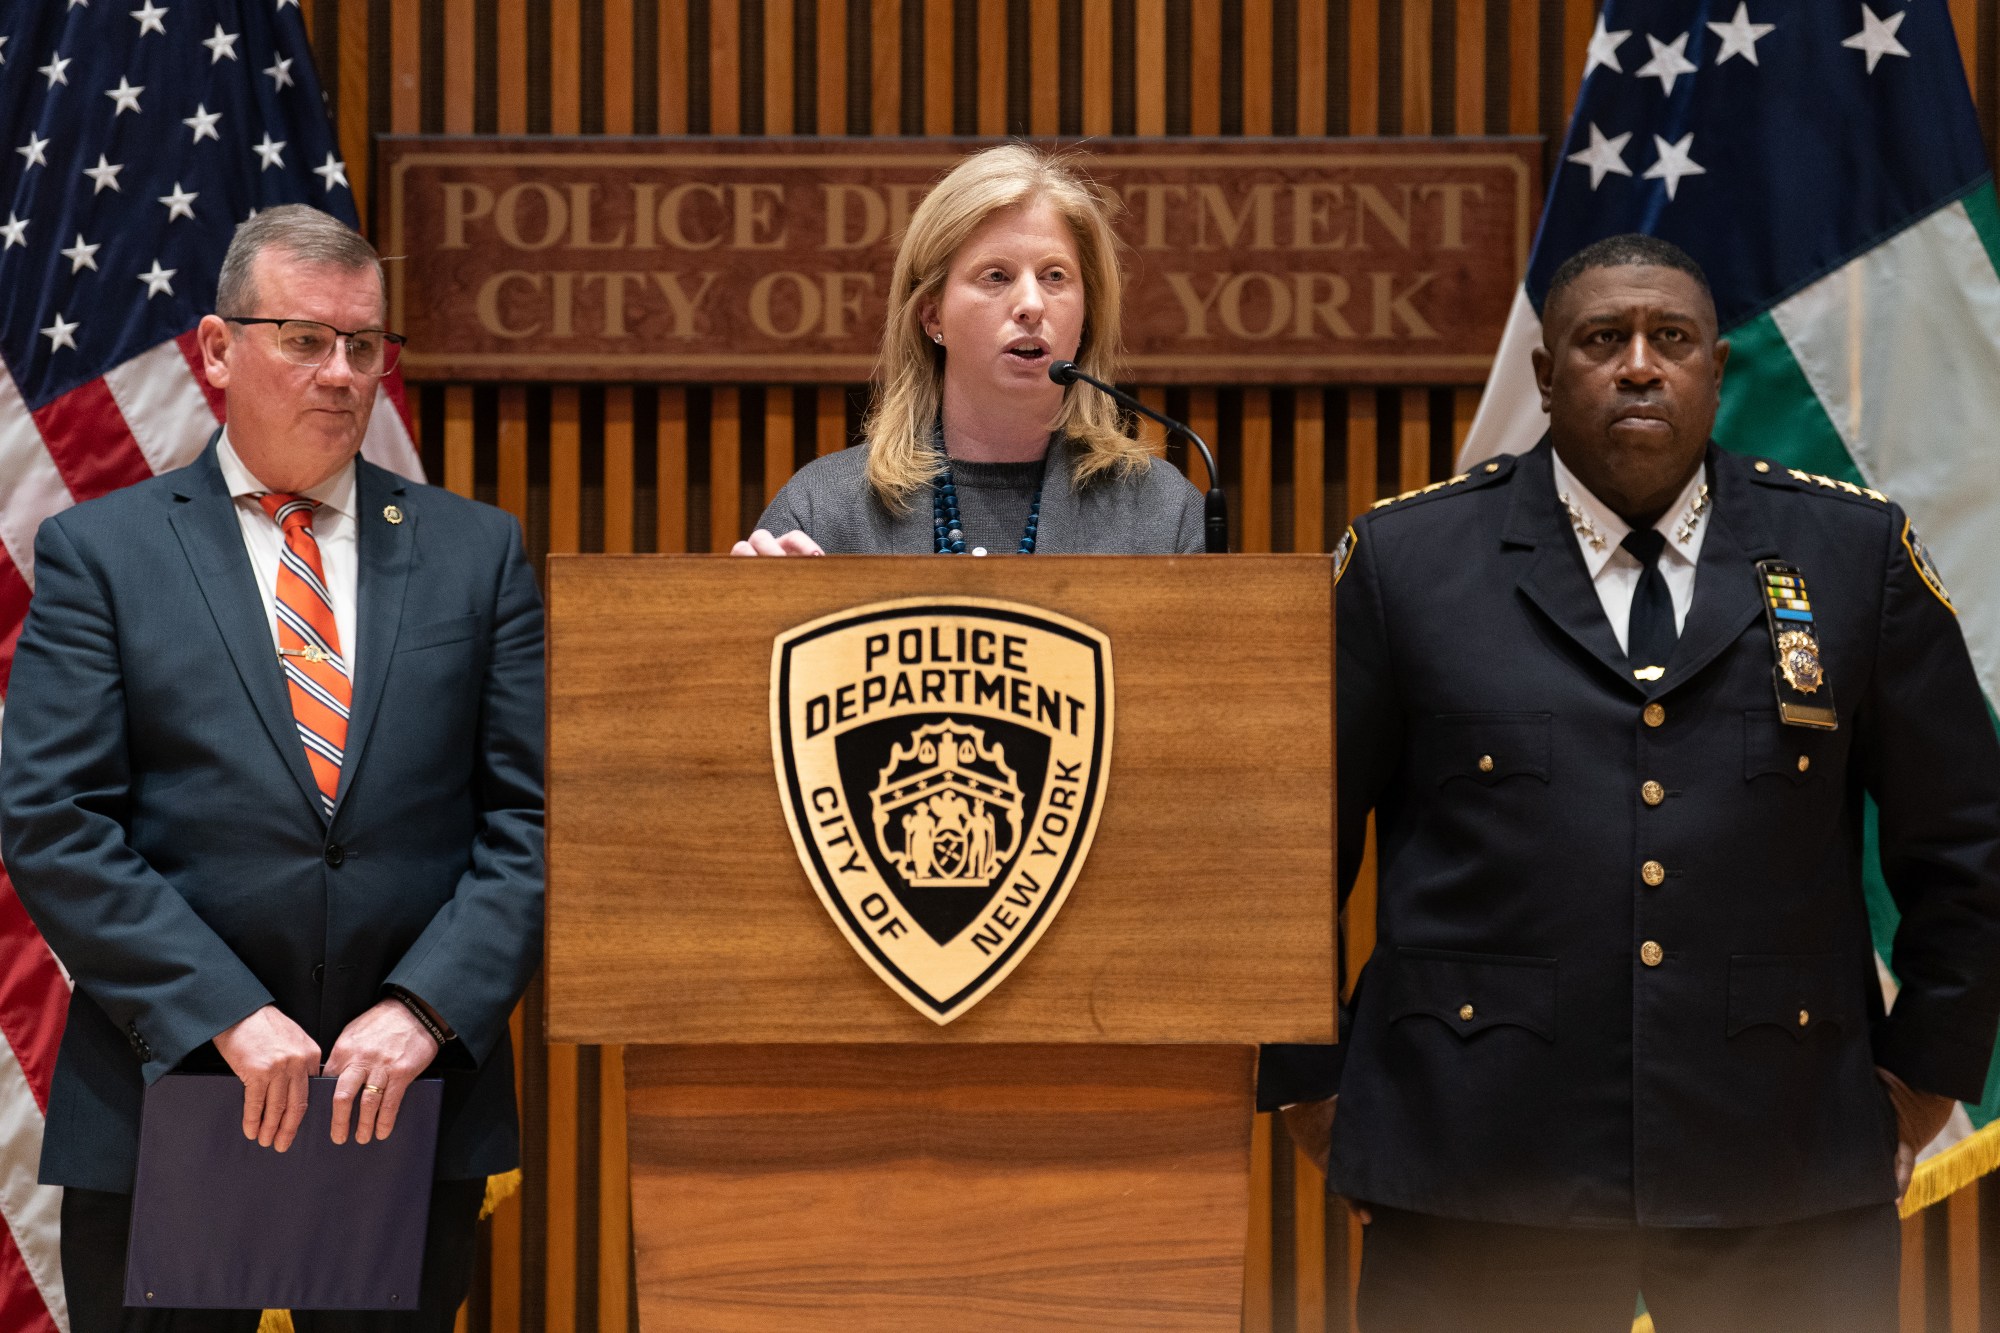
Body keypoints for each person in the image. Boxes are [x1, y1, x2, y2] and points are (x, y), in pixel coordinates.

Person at [1262, 234, 2000, 1331]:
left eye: (1671, 340)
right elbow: (1283, 847)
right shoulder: (1409, 563)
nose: (1639, 365)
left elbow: (1969, 843)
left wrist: (1920, 1083)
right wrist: (1313, 1086)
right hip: (1476, 1162)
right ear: (1546, 375)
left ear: (1716, 369)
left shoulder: (1851, 556)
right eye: (1603, 341)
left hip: (1783, 1161)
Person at [0, 205, 545, 1333]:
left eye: (362, 344)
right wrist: (229, 1014)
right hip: (174, 1102)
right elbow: (55, 818)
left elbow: (530, 821)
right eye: (303, 338)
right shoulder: (105, 554)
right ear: (215, 349)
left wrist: (424, 1009)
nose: (341, 372)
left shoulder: (476, 553)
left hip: (403, 1099)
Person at [735, 143, 1203, 556]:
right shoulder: (825, 513)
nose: (1031, 304)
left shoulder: (1163, 517)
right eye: (995, 276)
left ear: (1086, 315)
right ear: (932, 315)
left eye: (1054, 276)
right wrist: (765, 617)